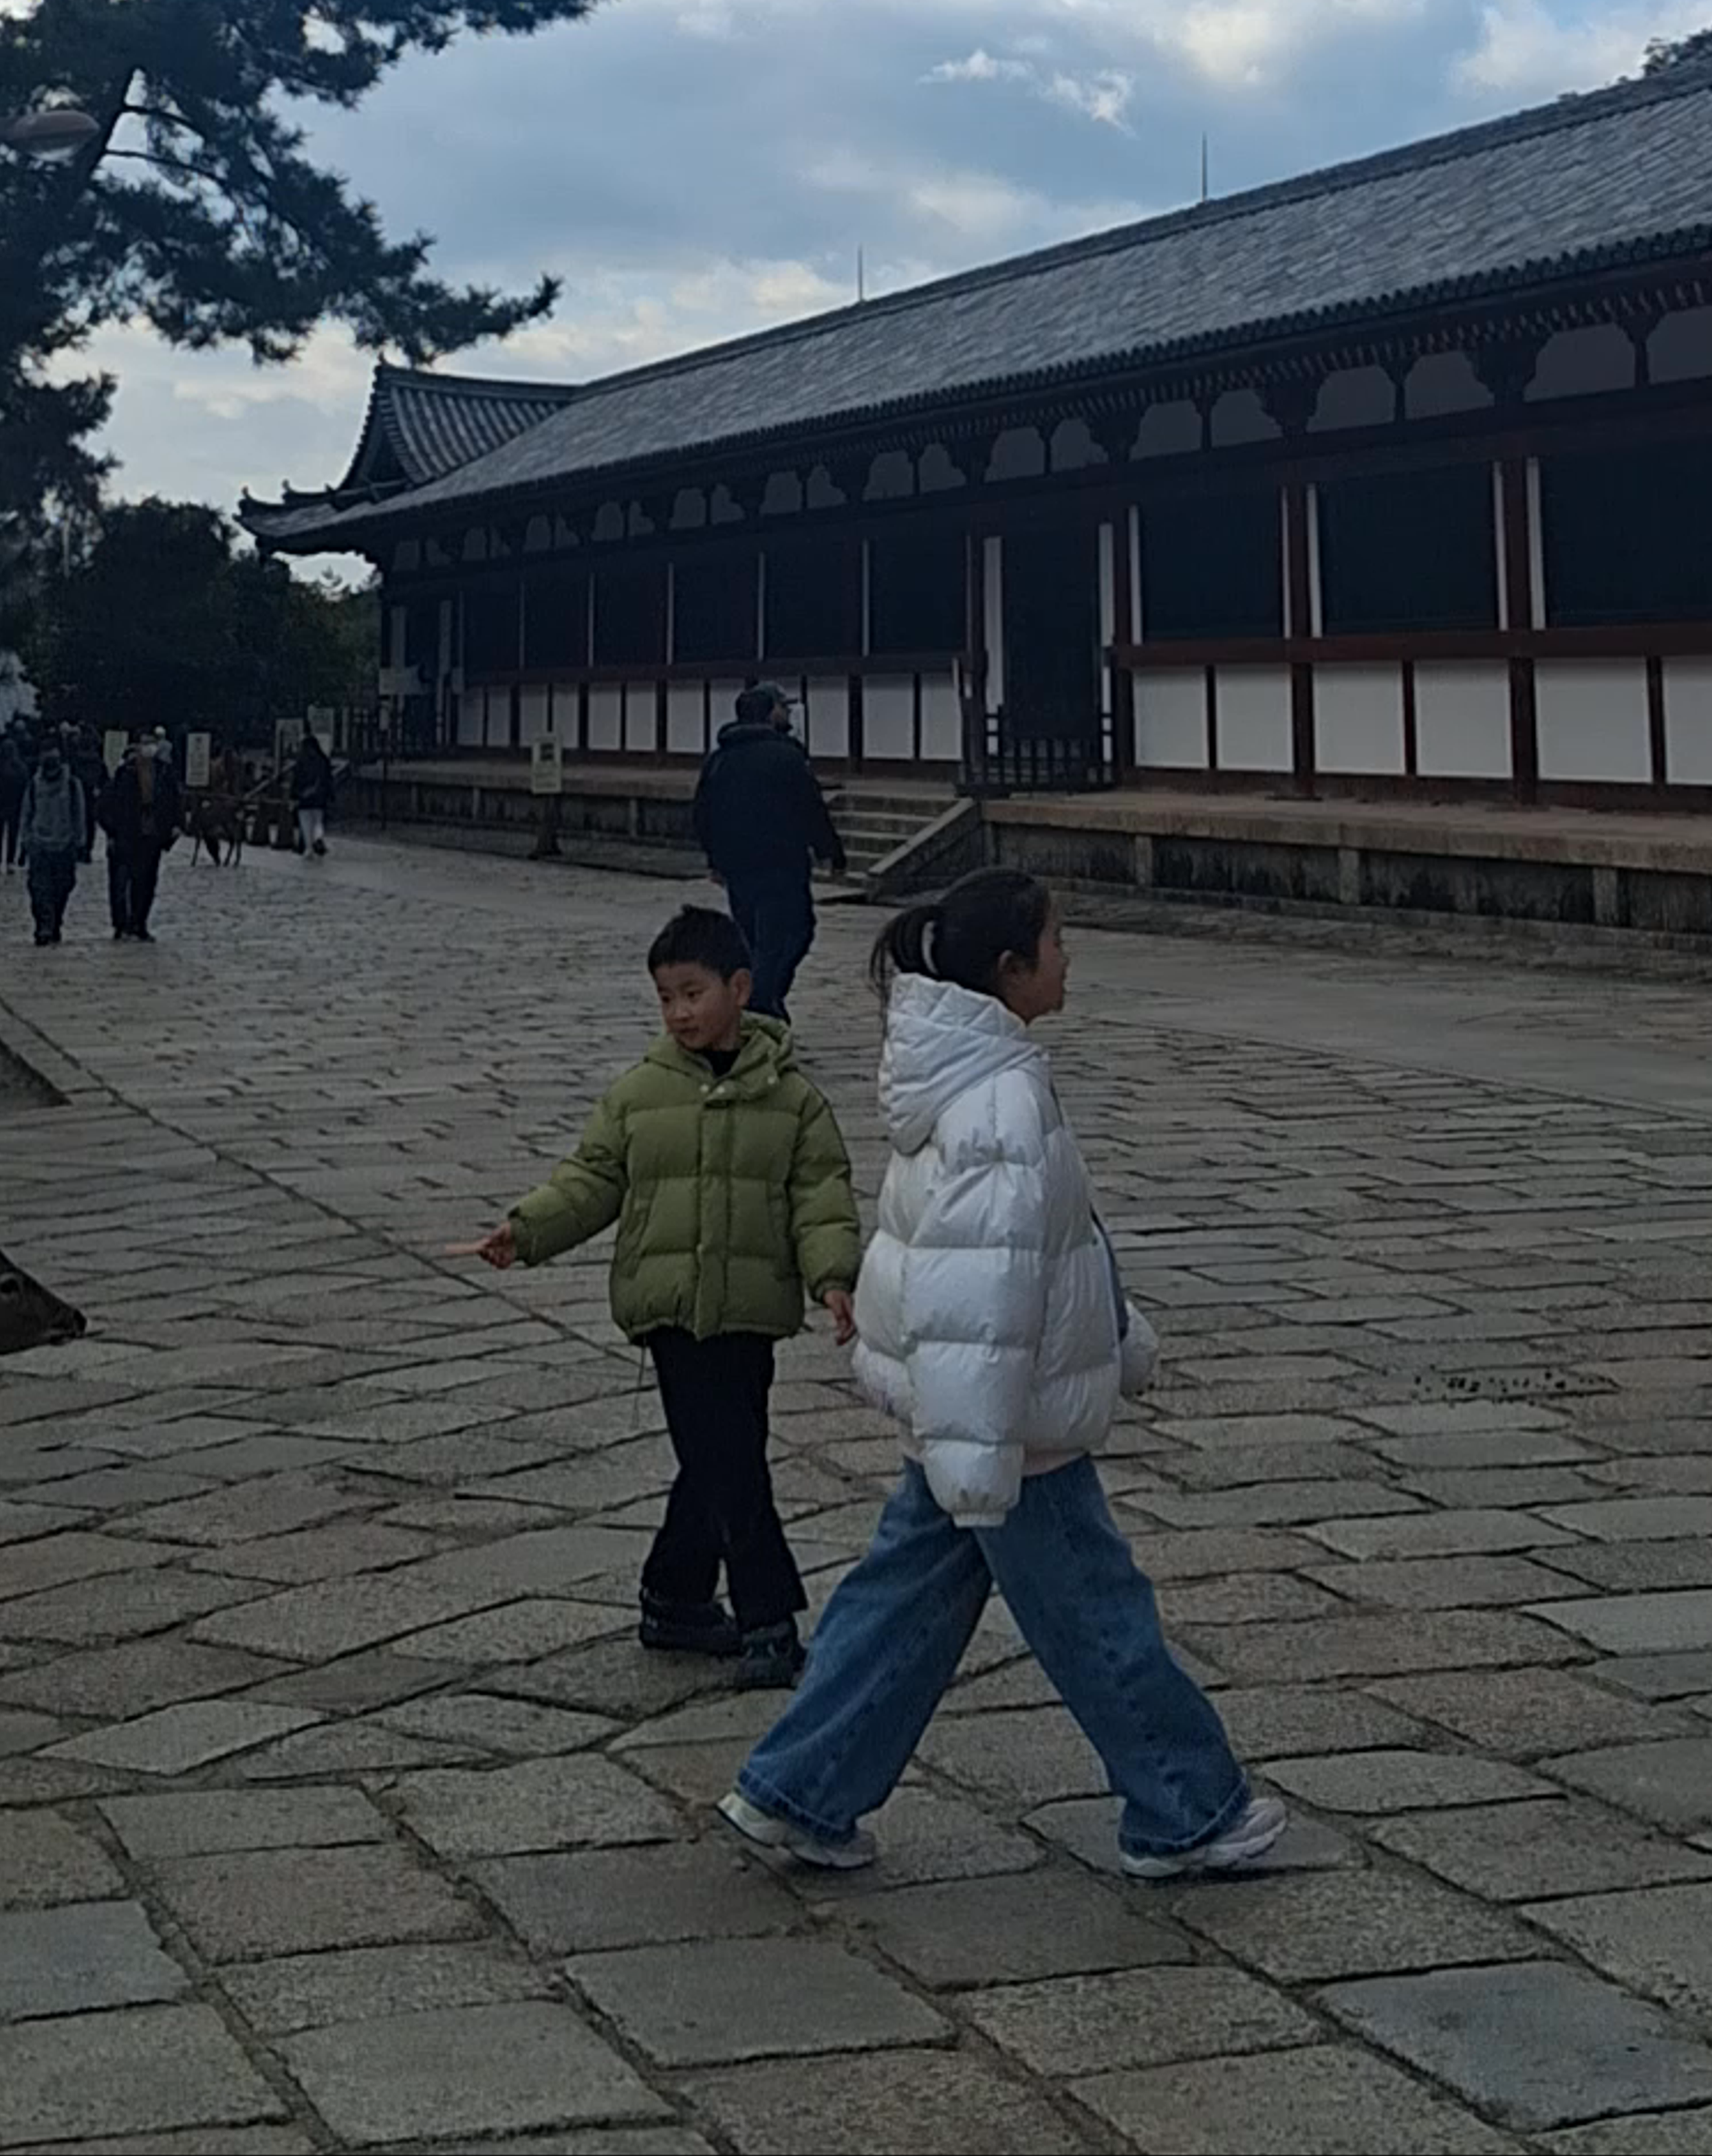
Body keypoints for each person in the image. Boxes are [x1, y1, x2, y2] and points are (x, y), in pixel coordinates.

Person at [719, 869, 1286, 1884]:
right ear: (1011, 968)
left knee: (903, 1601)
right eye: (1057, 940)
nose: (1071, 956)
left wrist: (1116, 1337)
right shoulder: (999, 1096)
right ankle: (1185, 1803)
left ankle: (800, 1785)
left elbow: (1049, 1251)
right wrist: (983, 1453)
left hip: (979, 1416)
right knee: (1097, 1613)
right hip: (1008, 1427)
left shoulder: (967, 1072)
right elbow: (985, 1284)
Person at [467, 904, 859, 1684]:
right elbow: (593, 1177)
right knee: (734, 1465)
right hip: (671, 1306)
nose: (680, 1011)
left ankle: (675, 1594)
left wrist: (833, 1275)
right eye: (665, 997)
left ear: (739, 987)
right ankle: (769, 1618)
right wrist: (529, 1228)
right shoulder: (640, 1092)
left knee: (718, 1456)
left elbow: (821, 1193)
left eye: (693, 991)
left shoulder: (793, 1100)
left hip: (749, 1306)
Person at [693, 686, 848, 1021]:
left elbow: (703, 812)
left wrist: (714, 859)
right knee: (792, 933)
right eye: (783, 707)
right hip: (781, 864)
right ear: (770, 713)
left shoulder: (720, 759)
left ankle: (758, 998)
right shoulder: (786, 757)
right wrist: (831, 851)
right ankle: (761, 1001)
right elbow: (810, 808)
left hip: (737, 864)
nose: (788, 713)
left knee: (752, 937)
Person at [100, 733, 180, 941]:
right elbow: (106, 806)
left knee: (146, 882)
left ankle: (140, 922)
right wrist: (112, 831)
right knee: (121, 883)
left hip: (152, 834)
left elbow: (174, 800)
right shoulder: (124, 774)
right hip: (126, 834)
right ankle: (121, 924)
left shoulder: (163, 772)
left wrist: (176, 825)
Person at [23, 734, 91, 948]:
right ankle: (44, 925)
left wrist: (80, 841)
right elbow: (26, 813)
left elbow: (79, 813)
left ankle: (55, 922)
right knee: (39, 889)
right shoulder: (34, 784)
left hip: (65, 844)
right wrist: (26, 840)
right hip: (40, 844)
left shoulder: (72, 784)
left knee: (63, 887)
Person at [0, 734, 29, 870]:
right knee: (13, 834)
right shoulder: (21, 769)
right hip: (15, 806)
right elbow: (25, 787)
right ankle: (10, 861)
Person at [289, 728, 336, 856]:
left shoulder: (302, 761)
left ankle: (308, 848)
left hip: (304, 797)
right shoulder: (323, 760)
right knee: (318, 822)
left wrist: (293, 795)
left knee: (306, 823)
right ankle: (318, 839)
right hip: (320, 798)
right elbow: (328, 779)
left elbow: (296, 779)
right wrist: (330, 795)